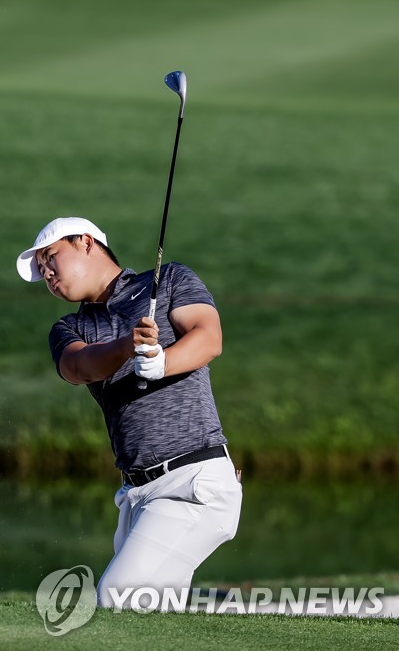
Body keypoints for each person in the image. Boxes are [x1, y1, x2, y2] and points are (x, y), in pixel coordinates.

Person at [16, 216, 241, 608]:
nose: (47, 273)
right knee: (151, 624)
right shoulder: (69, 327)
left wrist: (163, 362)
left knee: (115, 599)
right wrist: (127, 347)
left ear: (85, 242)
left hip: (191, 482)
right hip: (137, 498)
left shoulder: (167, 280)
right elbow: (79, 366)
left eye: (51, 258)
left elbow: (209, 337)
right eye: (41, 270)